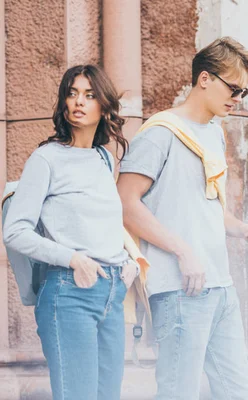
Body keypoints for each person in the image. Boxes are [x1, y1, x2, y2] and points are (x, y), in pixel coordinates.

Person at [117, 37, 248, 400]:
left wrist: (244, 230)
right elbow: (124, 202)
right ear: (204, 79)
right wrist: (184, 252)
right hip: (178, 287)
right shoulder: (159, 133)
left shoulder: (214, 133)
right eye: (234, 88)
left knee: (239, 392)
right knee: (177, 392)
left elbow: (210, 210)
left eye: (244, 93)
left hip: (220, 285)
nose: (237, 99)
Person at [3, 64, 138, 400]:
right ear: (64, 102)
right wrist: (73, 258)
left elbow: (102, 222)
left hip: (112, 291)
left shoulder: (104, 158)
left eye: (90, 95)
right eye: (72, 93)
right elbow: (15, 231)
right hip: (69, 291)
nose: (79, 101)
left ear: (104, 106)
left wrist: (130, 259)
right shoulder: (46, 158)